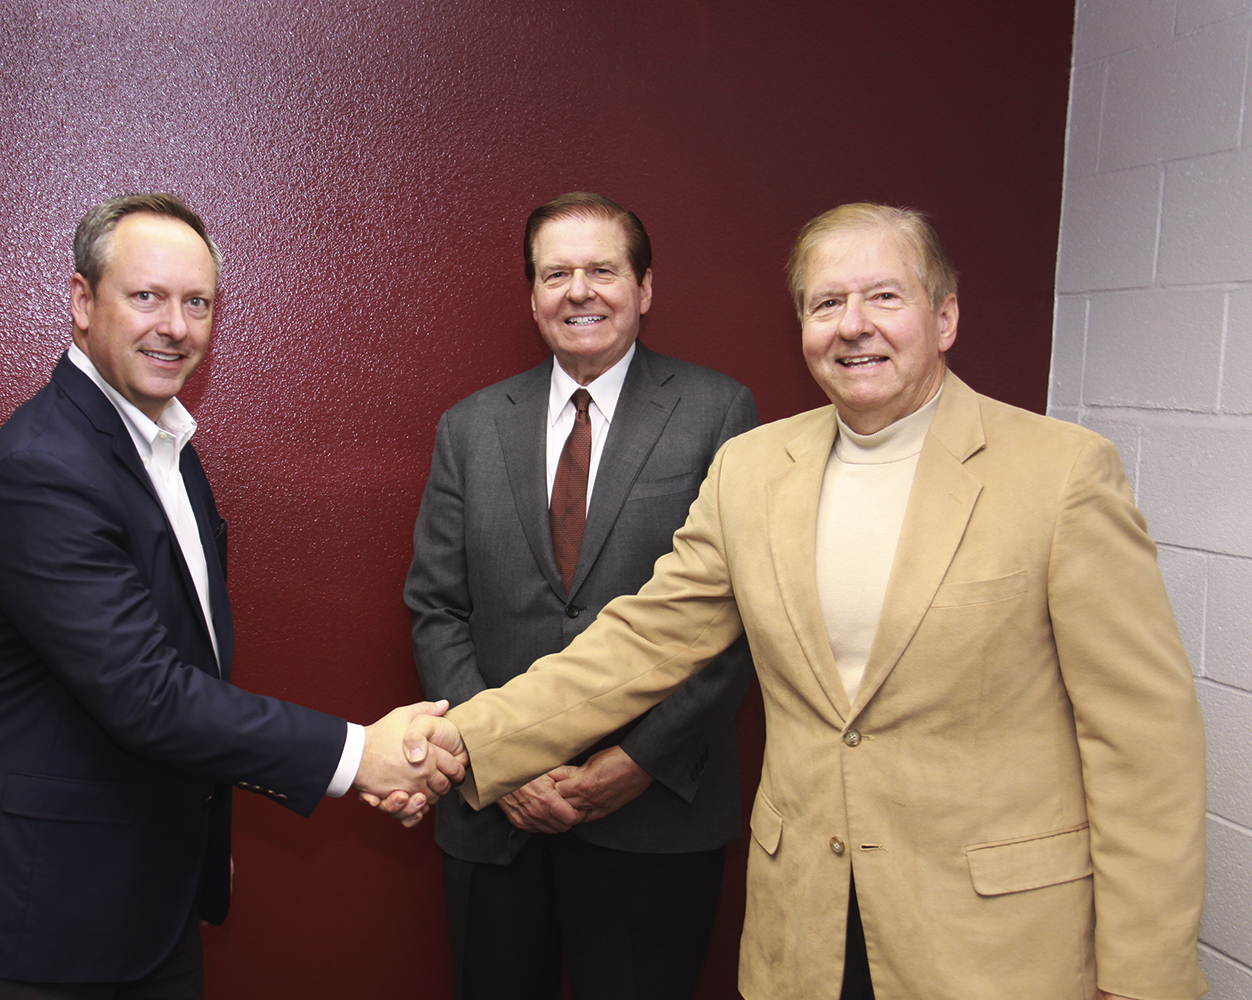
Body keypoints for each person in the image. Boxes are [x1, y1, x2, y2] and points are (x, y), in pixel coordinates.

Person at [405, 203, 1208, 1000]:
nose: (853, 325)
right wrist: (462, 741)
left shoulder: (1063, 474)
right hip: (808, 935)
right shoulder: (754, 469)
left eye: (885, 297)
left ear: (946, 315)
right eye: (826, 303)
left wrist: (1144, 980)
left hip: (990, 944)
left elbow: (1143, 745)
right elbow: (642, 643)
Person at [0, 193, 460, 997]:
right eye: (146, 296)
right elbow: (145, 692)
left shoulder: (163, 445)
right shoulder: (42, 469)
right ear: (83, 304)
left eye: (197, 303)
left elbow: (184, 664)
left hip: (144, 900)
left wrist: (197, 828)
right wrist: (360, 756)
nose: (176, 326)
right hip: (27, 923)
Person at [404, 191, 757, 999]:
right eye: (556, 273)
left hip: (655, 810)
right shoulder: (469, 427)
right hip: (495, 818)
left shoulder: (718, 412)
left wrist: (636, 761)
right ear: (532, 296)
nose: (579, 291)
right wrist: (503, 756)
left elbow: (735, 616)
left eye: (602, 269)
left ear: (645, 288)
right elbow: (436, 608)